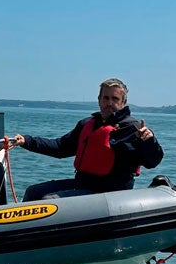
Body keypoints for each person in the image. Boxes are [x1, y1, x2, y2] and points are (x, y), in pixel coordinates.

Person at [9, 78, 163, 201]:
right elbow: (60, 147)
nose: (109, 103)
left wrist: (149, 142)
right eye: (106, 98)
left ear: (123, 102)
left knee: (50, 200)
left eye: (115, 99)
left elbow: (152, 161)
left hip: (111, 193)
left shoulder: (132, 128)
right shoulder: (87, 124)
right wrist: (26, 141)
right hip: (83, 184)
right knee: (33, 192)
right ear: (99, 99)